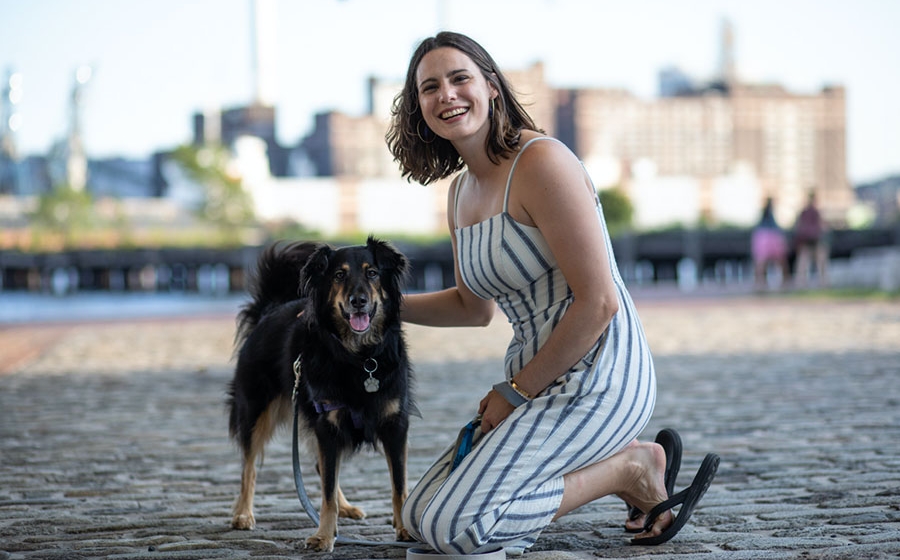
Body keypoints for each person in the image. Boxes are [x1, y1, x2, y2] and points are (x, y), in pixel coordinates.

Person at [385, 31, 718, 556]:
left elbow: (600, 302)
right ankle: (619, 470)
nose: (445, 95)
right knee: (421, 513)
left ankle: (629, 467)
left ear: (490, 87)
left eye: (459, 78)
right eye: (429, 88)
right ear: (418, 107)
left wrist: (515, 391)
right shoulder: (459, 194)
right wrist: (379, 309)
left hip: (601, 374)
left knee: (452, 528)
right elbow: (474, 309)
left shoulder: (541, 162)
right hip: (536, 377)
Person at [751, 197, 789, 290]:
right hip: (770, 236)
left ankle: (759, 282)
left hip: (763, 236)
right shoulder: (769, 214)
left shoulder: (765, 215)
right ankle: (783, 281)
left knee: (762, 262)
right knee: (776, 261)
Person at [792, 191, 829, 288]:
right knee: (820, 260)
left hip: (805, 238)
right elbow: (822, 225)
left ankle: (801, 281)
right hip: (815, 238)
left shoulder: (803, 212)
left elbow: (798, 226)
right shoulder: (815, 211)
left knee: (803, 261)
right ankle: (823, 281)